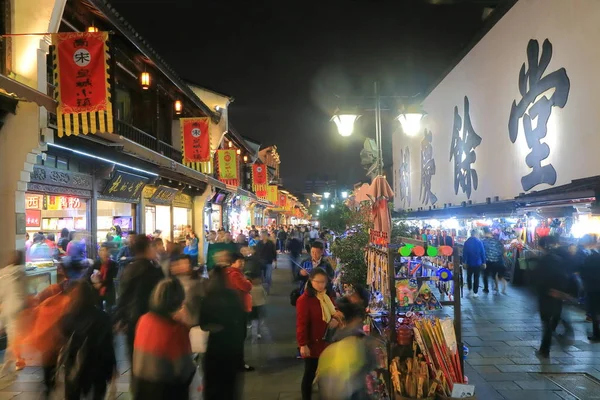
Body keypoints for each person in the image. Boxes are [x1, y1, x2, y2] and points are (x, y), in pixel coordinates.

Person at [132, 278, 196, 399]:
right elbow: (185, 370)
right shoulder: (175, 329)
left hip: (141, 388)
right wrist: (186, 325)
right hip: (166, 392)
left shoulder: (144, 320)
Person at [58, 281, 116, 400]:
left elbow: (63, 338)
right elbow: (108, 346)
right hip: (97, 367)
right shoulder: (103, 317)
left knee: (72, 394)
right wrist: (111, 369)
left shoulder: (67, 318)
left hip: (74, 366)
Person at [114, 235, 164, 364]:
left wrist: (120, 318)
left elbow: (123, 296)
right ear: (147, 249)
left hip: (132, 319)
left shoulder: (128, 270)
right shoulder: (155, 271)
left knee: (134, 355)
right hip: (152, 319)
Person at [200, 266, 246, 400]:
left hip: (214, 348)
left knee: (213, 386)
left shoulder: (208, 297)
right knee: (229, 387)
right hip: (231, 348)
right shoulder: (232, 296)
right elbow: (241, 321)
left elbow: (203, 323)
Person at [296, 268, 342, 400]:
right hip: (313, 343)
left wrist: (335, 318)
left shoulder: (326, 296)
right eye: (318, 282)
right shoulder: (304, 300)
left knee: (324, 374)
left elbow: (333, 312)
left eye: (324, 282)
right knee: (310, 374)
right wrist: (303, 344)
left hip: (326, 342)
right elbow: (301, 324)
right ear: (311, 281)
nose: (321, 285)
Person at [318, 296, 376, 400]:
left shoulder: (331, 347)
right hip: (353, 394)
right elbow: (372, 364)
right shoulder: (359, 342)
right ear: (356, 319)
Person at [534, 235, 573, 358]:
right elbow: (567, 277)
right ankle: (560, 335)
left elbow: (537, 280)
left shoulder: (542, 261)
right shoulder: (560, 259)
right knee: (554, 319)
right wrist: (563, 292)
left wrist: (545, 290)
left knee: (546, 323)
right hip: (558, 296)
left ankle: (545, 349)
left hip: (546, 296)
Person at [0, 250, 27, 377]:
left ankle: (12, 361)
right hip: (18, 306)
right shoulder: (23, 271)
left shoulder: (3, 273)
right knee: (14, 335)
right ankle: (15, 360)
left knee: (12, 335)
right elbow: (25, 290)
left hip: (7, 307)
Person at [580, 234, 600, 341]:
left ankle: (597, 334)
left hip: (592, 288)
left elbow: (584, 273)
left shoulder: (589, 258)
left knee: (594, 312)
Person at [91, 243, 118, 313]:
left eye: (103, 250)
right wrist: (95, 283)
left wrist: (101, 284)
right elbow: (89, 274)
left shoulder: (113, 264)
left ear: (108, 252)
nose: (101, 252)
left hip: (108, 289)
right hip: (97, 290)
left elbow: (111, 277)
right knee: (98, 309)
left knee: (109, 309)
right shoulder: (96, 263)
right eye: (100, 250)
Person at [481, 227, 506, 294]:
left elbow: (482, 251)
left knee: (485, 275)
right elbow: (501, 249)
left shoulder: (483, 241)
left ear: (485, 233)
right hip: (496, 260)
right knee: (494, 275)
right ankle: (496, 287)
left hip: (487, 261)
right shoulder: (497, 241)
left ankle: (486, 288)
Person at [462, 229, 486, 298]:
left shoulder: (467, 242)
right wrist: (484, 262)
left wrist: (464, 262)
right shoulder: (479, 242)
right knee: (476, 277)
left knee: (469, 277)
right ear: (476, 234)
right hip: (478, 263)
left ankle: (470, 290)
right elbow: (482, 253)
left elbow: (465, 253)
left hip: (469, 263)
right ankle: (475, 292)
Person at [249, 273, 271, 344]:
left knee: (253, 320)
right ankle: (258, 333)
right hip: (261, 305)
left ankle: (253, 333)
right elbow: (265, 295)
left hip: (252, 306)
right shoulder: (261, 287)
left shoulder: (250, 288)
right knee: (259, 320)